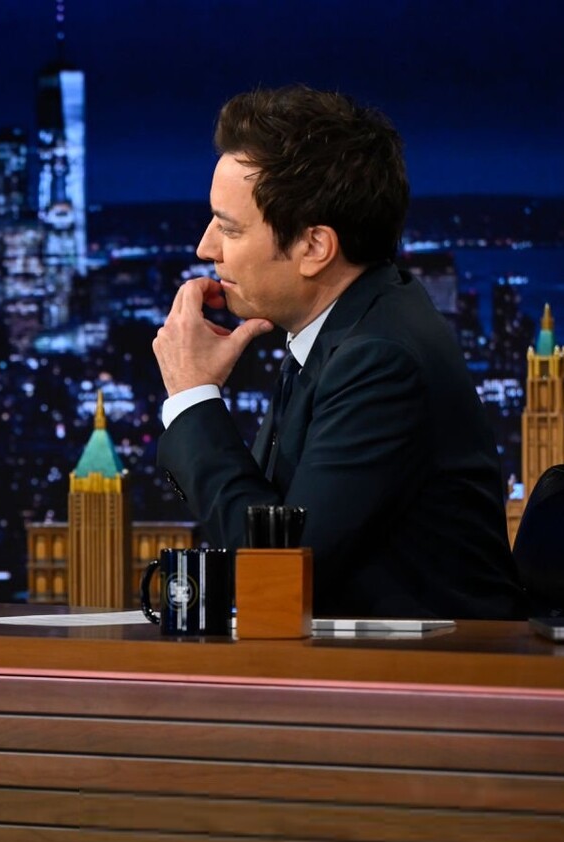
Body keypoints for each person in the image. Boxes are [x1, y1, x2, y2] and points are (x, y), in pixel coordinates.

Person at [153, 86, 521, 619]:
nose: (205, 248)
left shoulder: (379, 359)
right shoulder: (346, 328)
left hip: (433, 668)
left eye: (229, 228)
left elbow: (279, 576)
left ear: (314, 248)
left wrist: (192, 398)